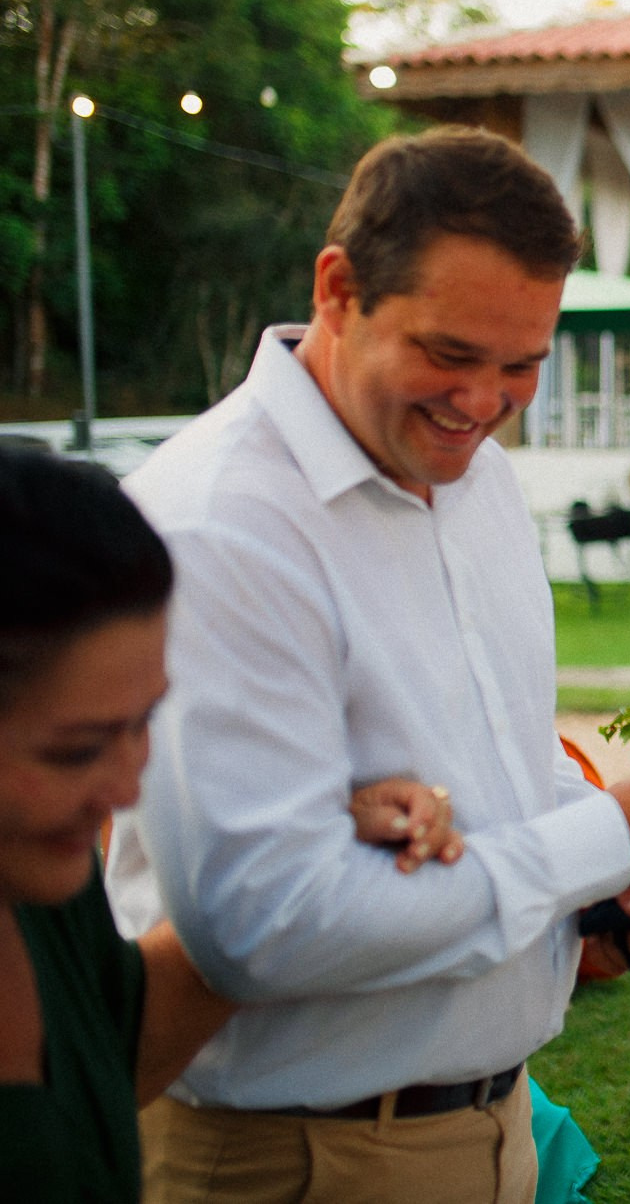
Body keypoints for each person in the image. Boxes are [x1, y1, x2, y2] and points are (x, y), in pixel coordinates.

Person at [105, 127, 630, 1204]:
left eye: (523, 365)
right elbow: (256, 924)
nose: (483, 401)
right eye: (450, 354)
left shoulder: (479, 480)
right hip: (294, 1160)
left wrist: (608, 878)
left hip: (493, 1128)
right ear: (338, 290)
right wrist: (601, 840)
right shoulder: (221, 524)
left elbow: (495, 766)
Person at [0, 447, 465, 1202]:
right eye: (76, 749)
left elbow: (119, 1043)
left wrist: (313, 845)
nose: (126, 788)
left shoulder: (44, 887)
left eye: (145, 723)